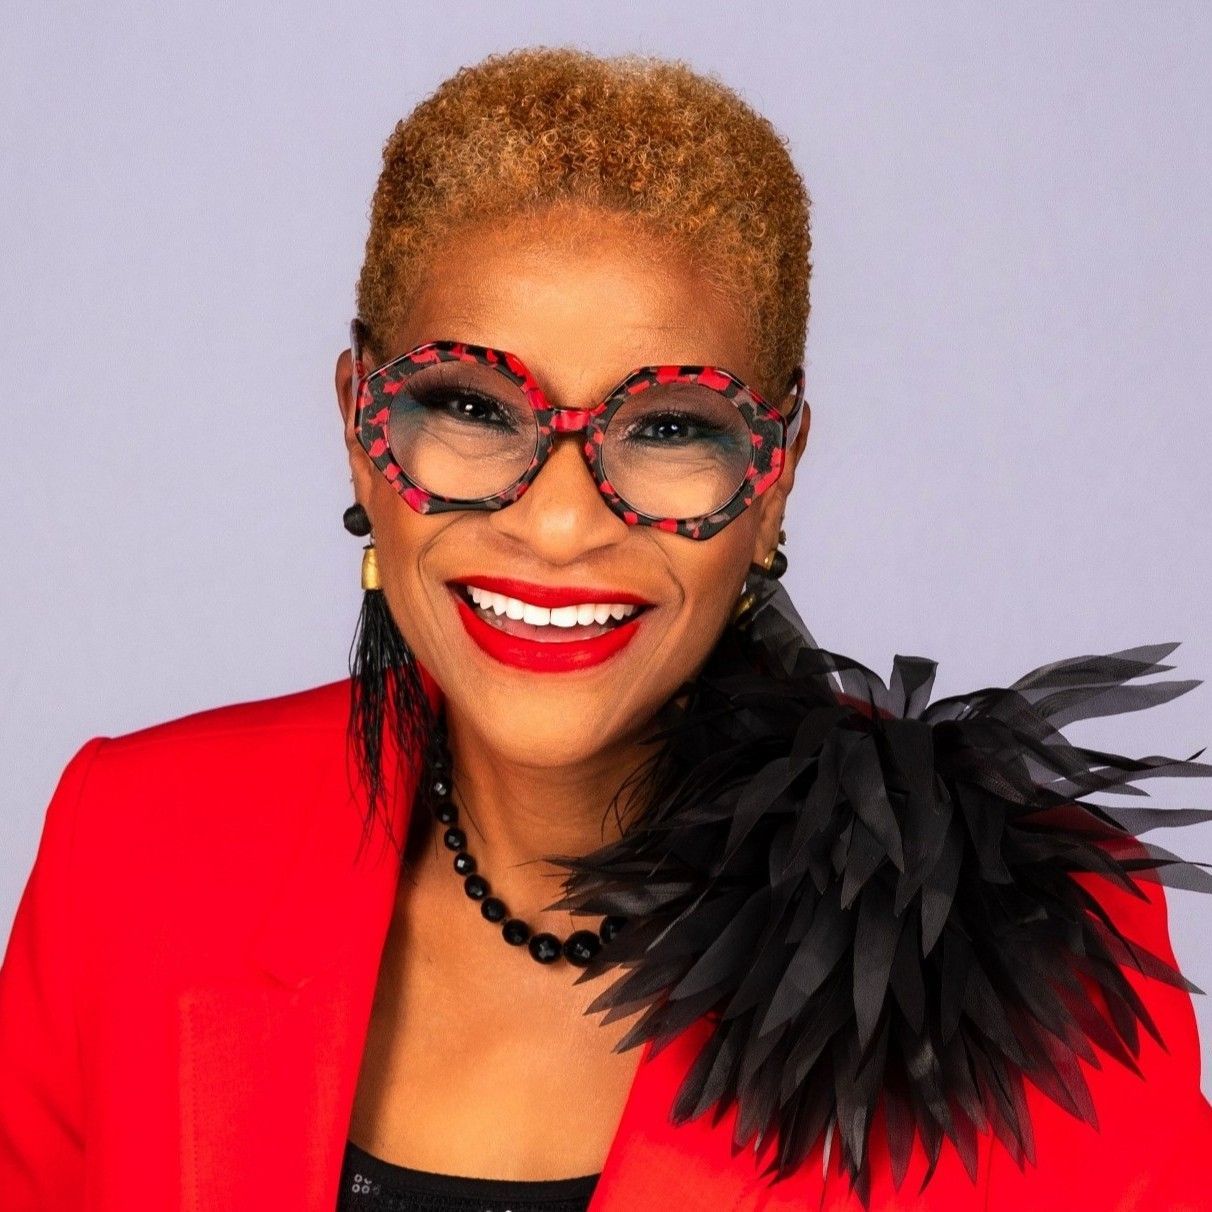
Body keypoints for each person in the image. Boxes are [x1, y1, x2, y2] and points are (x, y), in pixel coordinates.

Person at [2, 46, 1211, 1212]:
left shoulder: (1026, 956)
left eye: (671, 426)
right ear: (362, 428)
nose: (561, 522)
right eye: (474, 406)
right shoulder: (134, 850)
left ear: (775, 472)